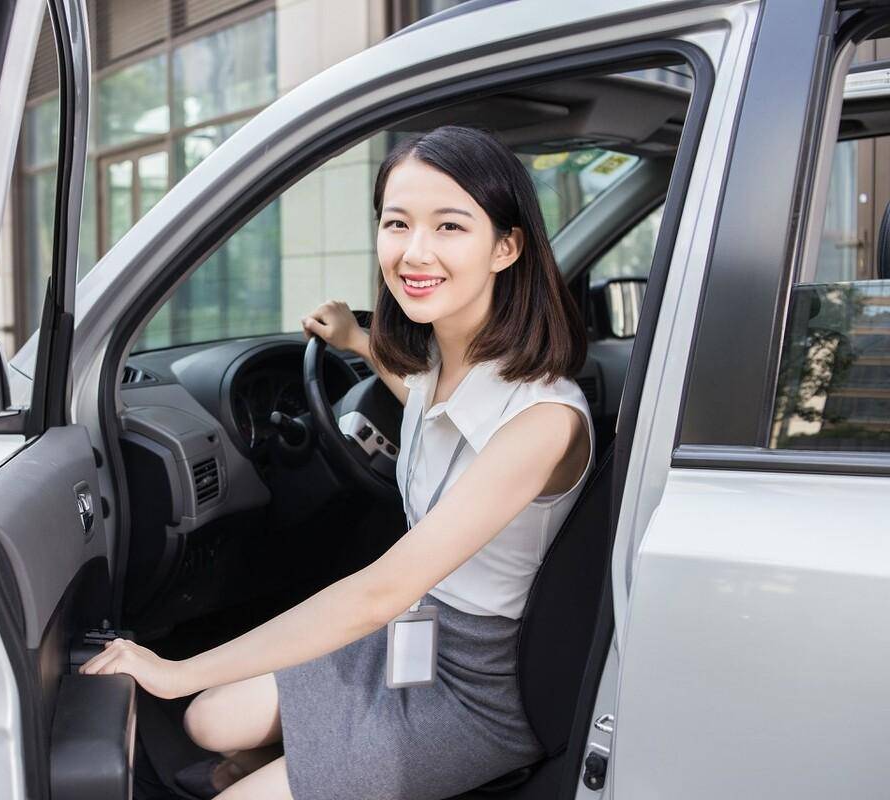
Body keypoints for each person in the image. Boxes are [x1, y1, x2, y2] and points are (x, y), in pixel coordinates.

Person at [79, 125, 594, 800]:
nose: (414, 251)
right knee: (208, 722)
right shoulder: (445, 369)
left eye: (449, 226)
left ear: (506, 246)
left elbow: (378, 593)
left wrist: (175, 671)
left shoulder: (543, 420)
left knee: (206, 733)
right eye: (397, 223)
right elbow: (421, 403)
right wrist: (355, 339)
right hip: (414, 639)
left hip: (482, 691)